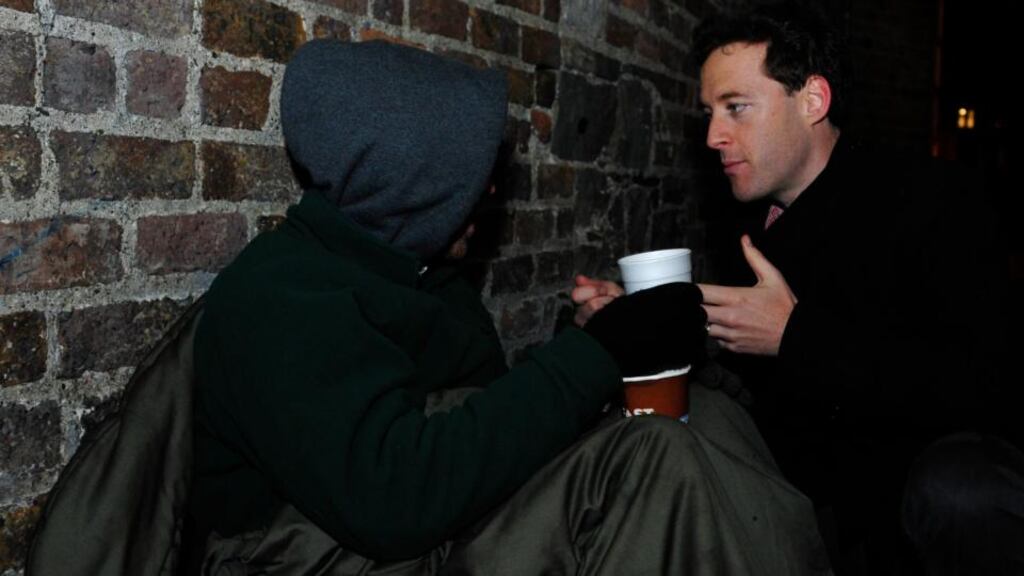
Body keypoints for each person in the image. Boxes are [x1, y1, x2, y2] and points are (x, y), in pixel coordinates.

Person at [186, 38, 831, 575]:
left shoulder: (422, 276)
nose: (491, 188)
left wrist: (598, 344)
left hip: (445, 525)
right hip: (330, 555)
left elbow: (483, 424)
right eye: (468, 173)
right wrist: (597, 354)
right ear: (412, 180)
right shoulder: (281, 298)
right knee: (656, 458)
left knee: (705, 414)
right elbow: (395, 499)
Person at [573, 2, 1022, 575]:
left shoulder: (931, 199)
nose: (713, 135)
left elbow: (982, 388)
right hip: (799, 502)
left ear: (813, 101)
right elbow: (739, 375)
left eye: (736, 108)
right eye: (710, 112)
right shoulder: (756, 222)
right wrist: (634, 326)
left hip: (916, 502)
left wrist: (795, 336)